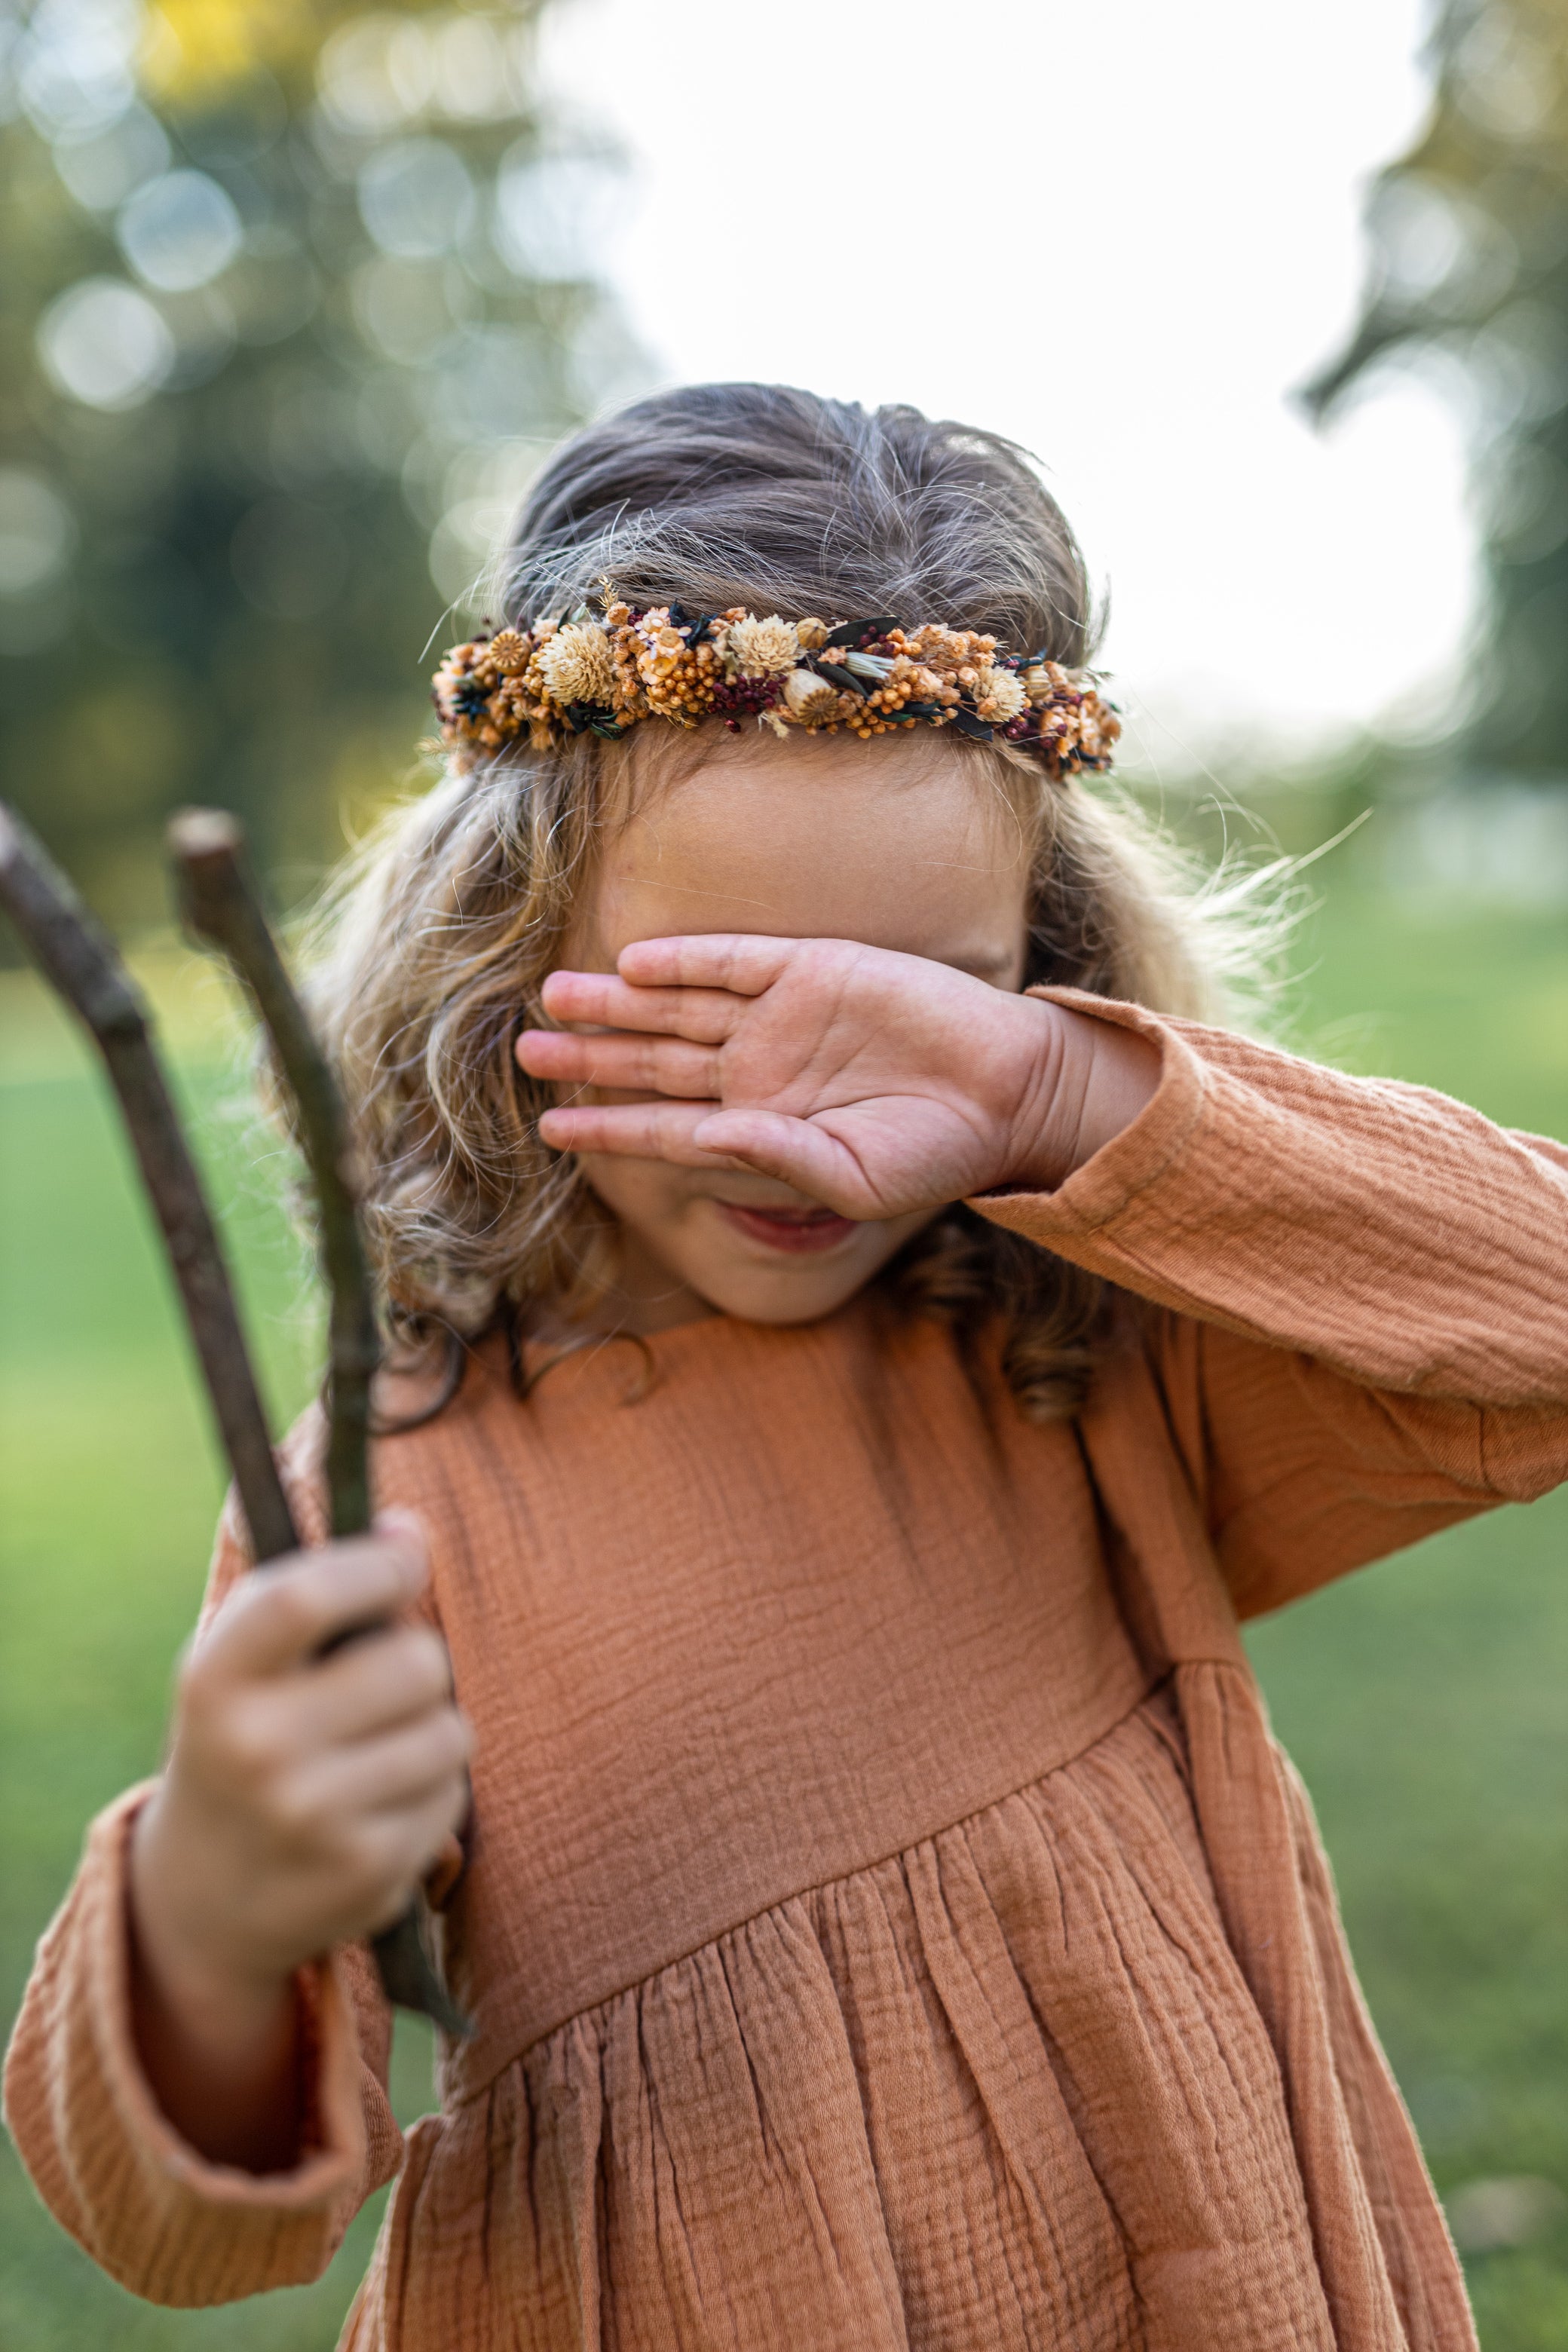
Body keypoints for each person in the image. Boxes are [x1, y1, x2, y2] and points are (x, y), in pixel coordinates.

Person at [7, 383, 1566, 2351]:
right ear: (518, 948)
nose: (793, 1129)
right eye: (712, 1008)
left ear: (1043, 956)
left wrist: (1046, 1095)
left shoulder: (1084, 1343)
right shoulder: (386, 1501)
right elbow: (190, 2231)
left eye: (930, 1010)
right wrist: (212, 1913)